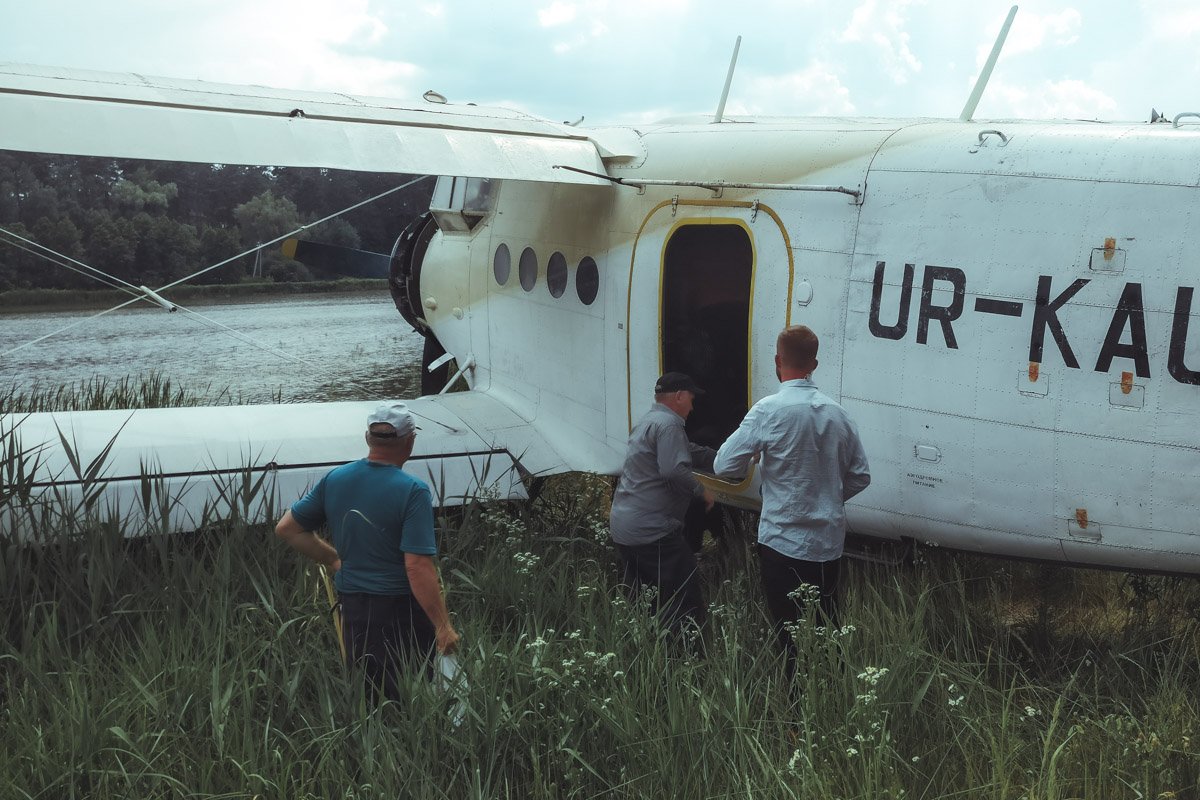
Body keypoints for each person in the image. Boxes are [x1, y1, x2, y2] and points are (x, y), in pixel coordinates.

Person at [275, 401, 460, 702]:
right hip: (401, 610)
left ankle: (370, 745)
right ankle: (412, 747)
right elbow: (416, 566)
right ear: (410, 440)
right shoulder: (414, 491)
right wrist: (442, 626)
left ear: (367, 438)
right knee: (411, 693)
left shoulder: (336, 479)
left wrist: (335, 559)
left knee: (369, 692)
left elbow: (288, 528)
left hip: (355, 607)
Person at [713, 326, 870, 676]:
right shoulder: (839, 414)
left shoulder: (768, 411)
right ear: (814, 363)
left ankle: (798, 720)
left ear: (777, 361)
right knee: (828, 626)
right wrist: (828, 496)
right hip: (827, 544)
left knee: (790, 637)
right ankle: (834, 696)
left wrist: (753, 458)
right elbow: (861, 475)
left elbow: (724, 464)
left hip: (782, 542)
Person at [609, 372, 717, 634]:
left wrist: (724, 457)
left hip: (625, 527)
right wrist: (702, 491)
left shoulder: (649, 421)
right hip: (651, 530)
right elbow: (673, 470)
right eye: (691, 399)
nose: (692, 407)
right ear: (679, 396)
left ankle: (645, 648)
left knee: (645, 596)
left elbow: (687, 451)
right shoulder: (670, 425)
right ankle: (684, 657)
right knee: (684, 594)